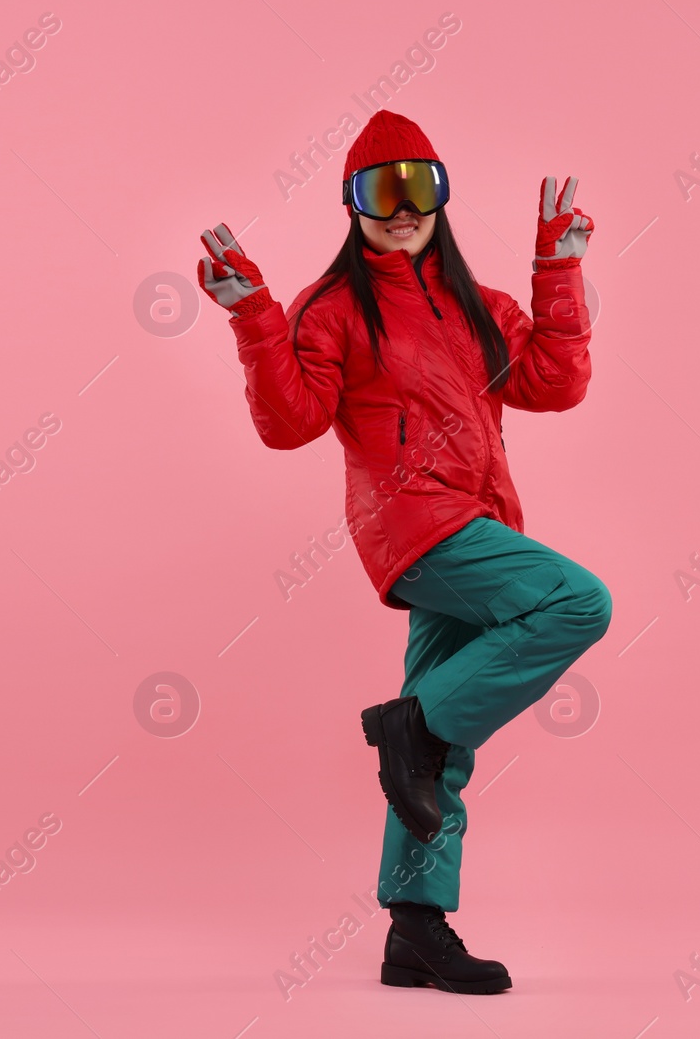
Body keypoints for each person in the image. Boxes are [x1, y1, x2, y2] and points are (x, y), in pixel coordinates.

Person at [197, 110, 612, 995]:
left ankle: (414, 930)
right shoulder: (332, 309)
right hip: (418, 527)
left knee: (436, 750)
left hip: (479, 518)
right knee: (580, 602)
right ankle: (410, 726)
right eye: (378, 191)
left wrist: (559, 270)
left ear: (441, 197)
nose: (400, 207)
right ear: (351, 206)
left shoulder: (480, 306)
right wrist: (256, 320)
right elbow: (291, 424)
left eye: (417, 186)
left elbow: (556, 385)